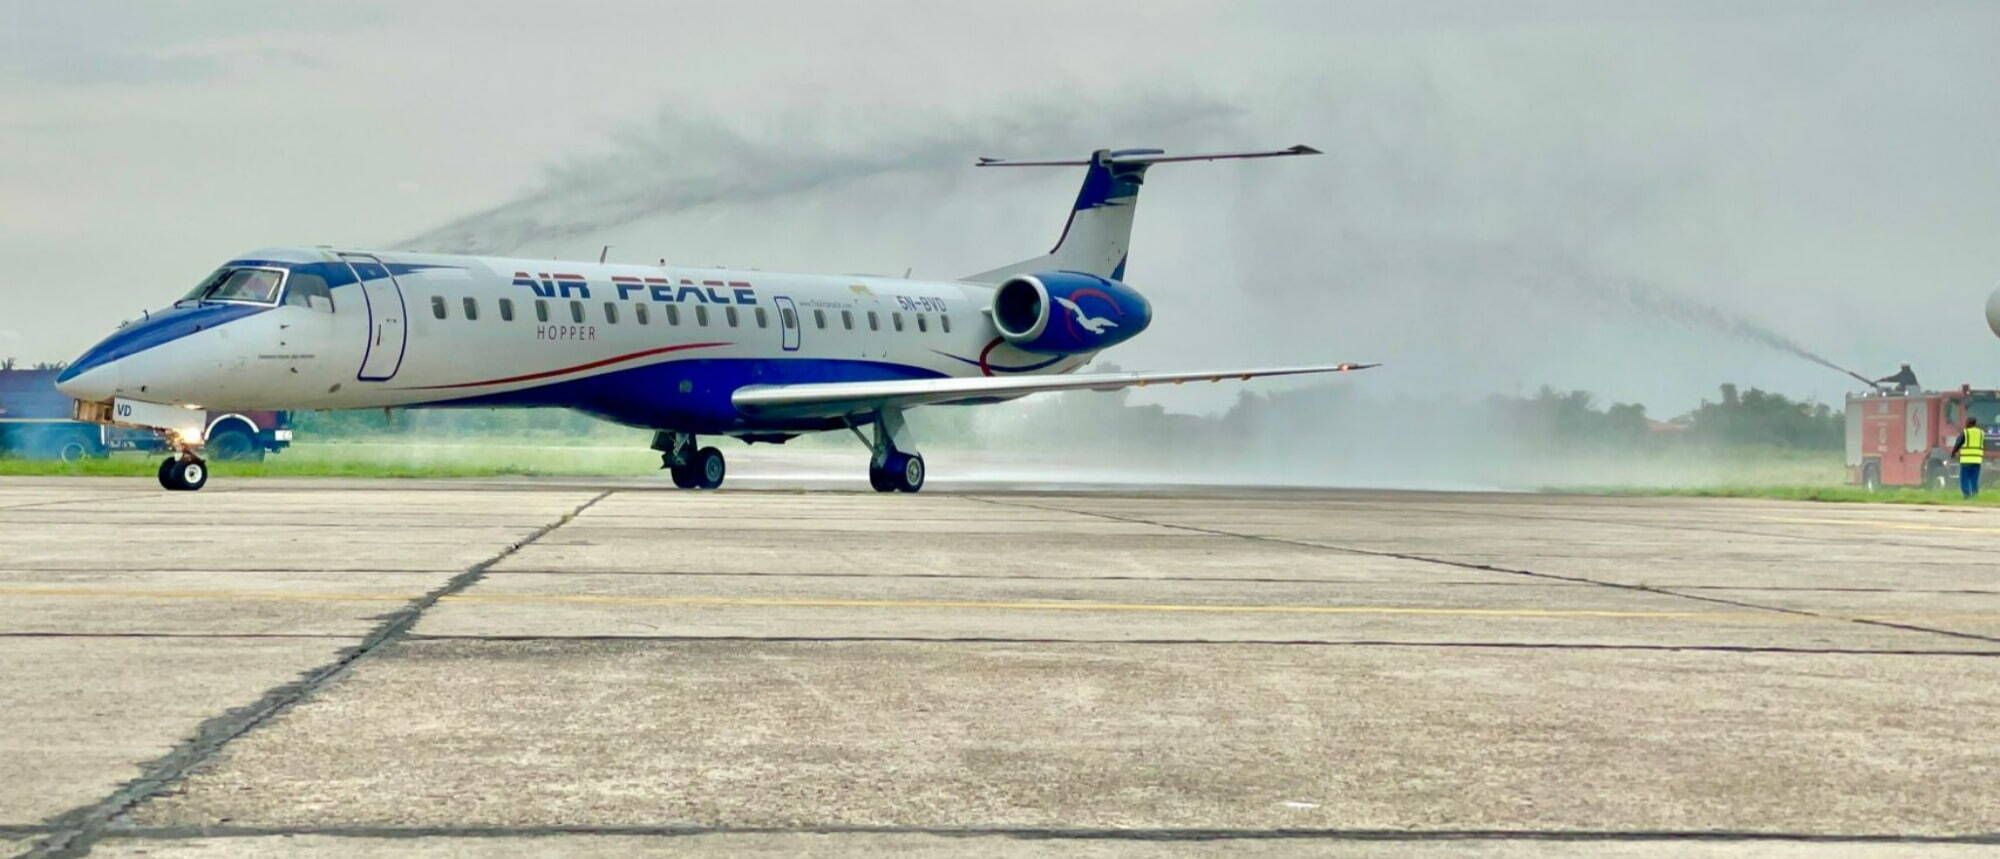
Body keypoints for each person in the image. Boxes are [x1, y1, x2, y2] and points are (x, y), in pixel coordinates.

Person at [1949, 416, 1985, 499]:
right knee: (1974, 479)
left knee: (1964, 479)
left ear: (1968, 423)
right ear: (1975, 423)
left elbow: (1958, 443)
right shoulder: (1981, 433)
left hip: (1966, 460)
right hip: (1977, 460)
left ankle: (1967, 496)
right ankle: (1975, 496)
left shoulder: (1965, 432)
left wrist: (1953, 453)